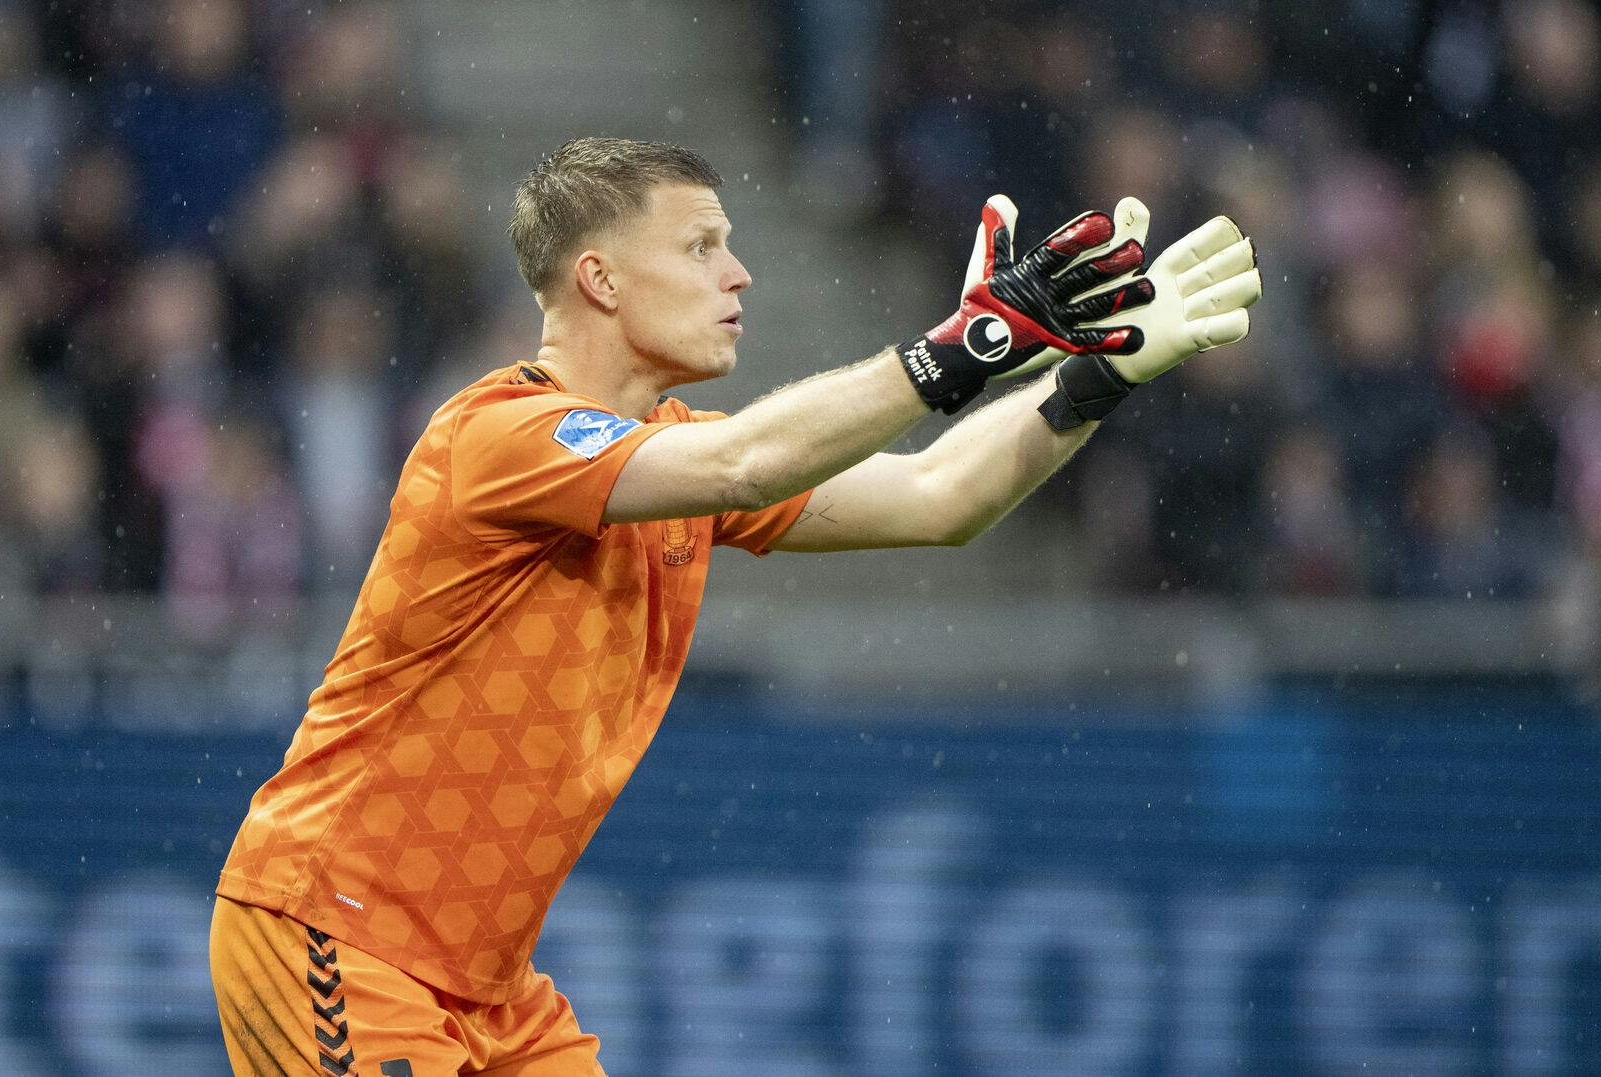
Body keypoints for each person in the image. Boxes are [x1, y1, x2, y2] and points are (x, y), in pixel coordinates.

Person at [207, 136, 1260, 1076]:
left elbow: (943, 497)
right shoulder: (496, 439)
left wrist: (1091, 382)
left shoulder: (674, 462)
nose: (740, 273)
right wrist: (964, 347)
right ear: (601, 279)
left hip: (487, 989)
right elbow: (748, 460)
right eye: (702, 247)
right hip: (333, 933)